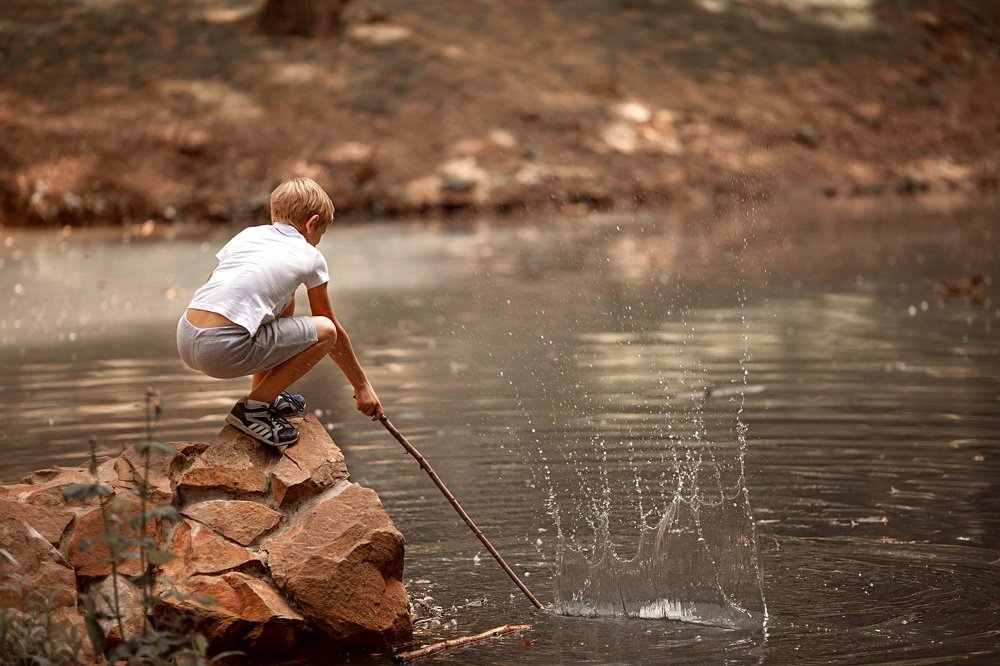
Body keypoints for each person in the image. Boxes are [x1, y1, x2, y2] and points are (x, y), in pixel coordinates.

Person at [176, 177, 383, 448]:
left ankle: (264, 395)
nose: (318, 242)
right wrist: (362, 386)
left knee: (286, 301)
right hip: (221, 350)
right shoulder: (310, 256)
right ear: (312, 223)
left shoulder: (248, 235)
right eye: (320, 234)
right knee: (325, 331)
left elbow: (214, 286)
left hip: (186, 336)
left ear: (275, 213)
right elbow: (329, 325)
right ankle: (254, 410)